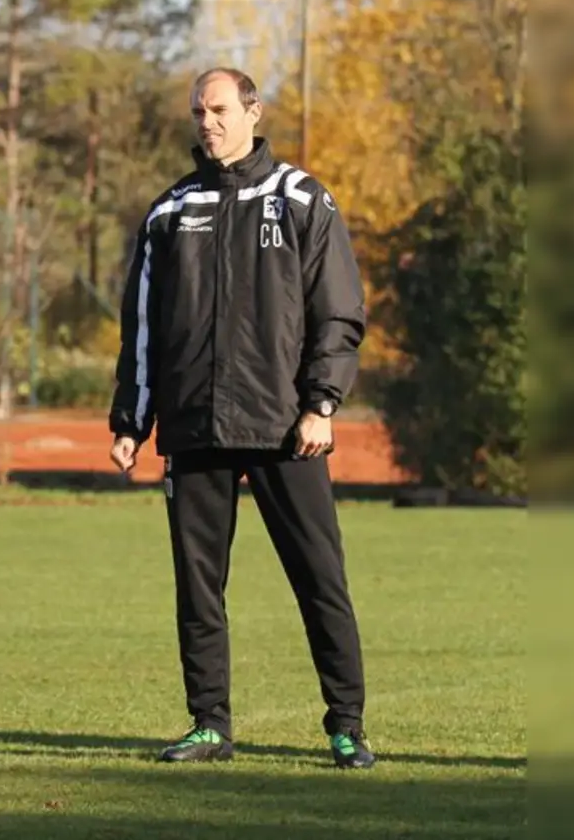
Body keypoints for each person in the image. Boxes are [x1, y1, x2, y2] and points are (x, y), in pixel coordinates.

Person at [107, 67, 374, 769]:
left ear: (252, 111)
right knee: (198, 590)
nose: (208, 122)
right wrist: (132, 419)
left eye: (220, 109)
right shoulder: (169, 212)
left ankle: (347, 725)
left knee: (320, 578)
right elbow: (140, 327)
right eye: (199, 111)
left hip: (288, 429)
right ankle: (209, 725)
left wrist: (321, 403)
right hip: (194, 428)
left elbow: (337, 312)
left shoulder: (303, 198)